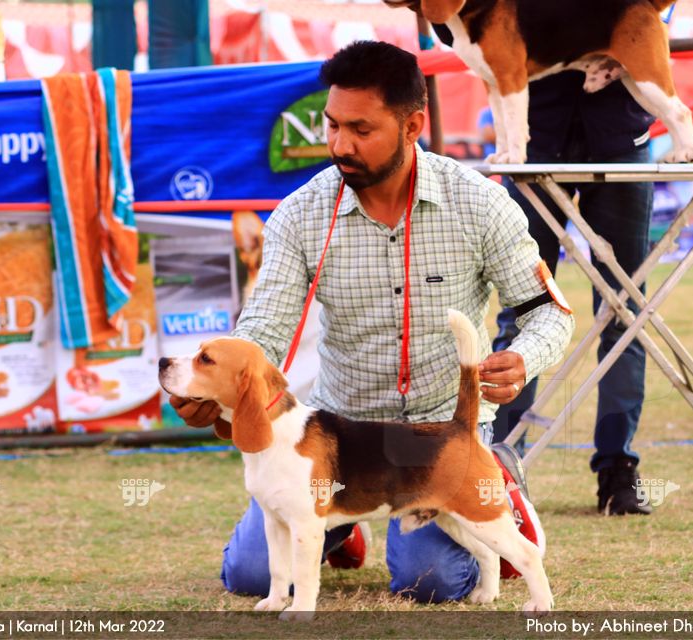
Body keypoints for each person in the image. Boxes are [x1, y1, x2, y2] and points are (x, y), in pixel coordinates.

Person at [169, 41, 574, 604]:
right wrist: (216, 381)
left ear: (412, 126)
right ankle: (342, 527)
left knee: (431, 583)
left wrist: (523, 359)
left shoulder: (482, 203)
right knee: (251, 576)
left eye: (361, 130)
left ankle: (491, 472)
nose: (340, 145)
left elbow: (547, 310)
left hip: (438, 435)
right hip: (339, 437)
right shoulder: (300, 214)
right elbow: (263, 330)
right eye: (332, 125)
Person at [491, 71, 656, 516]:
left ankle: (618, 467)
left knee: (624, 316)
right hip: (533, 140)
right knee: (522, 312)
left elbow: (655, 30)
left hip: (621, 137)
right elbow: (461, 35)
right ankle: (500, 467)